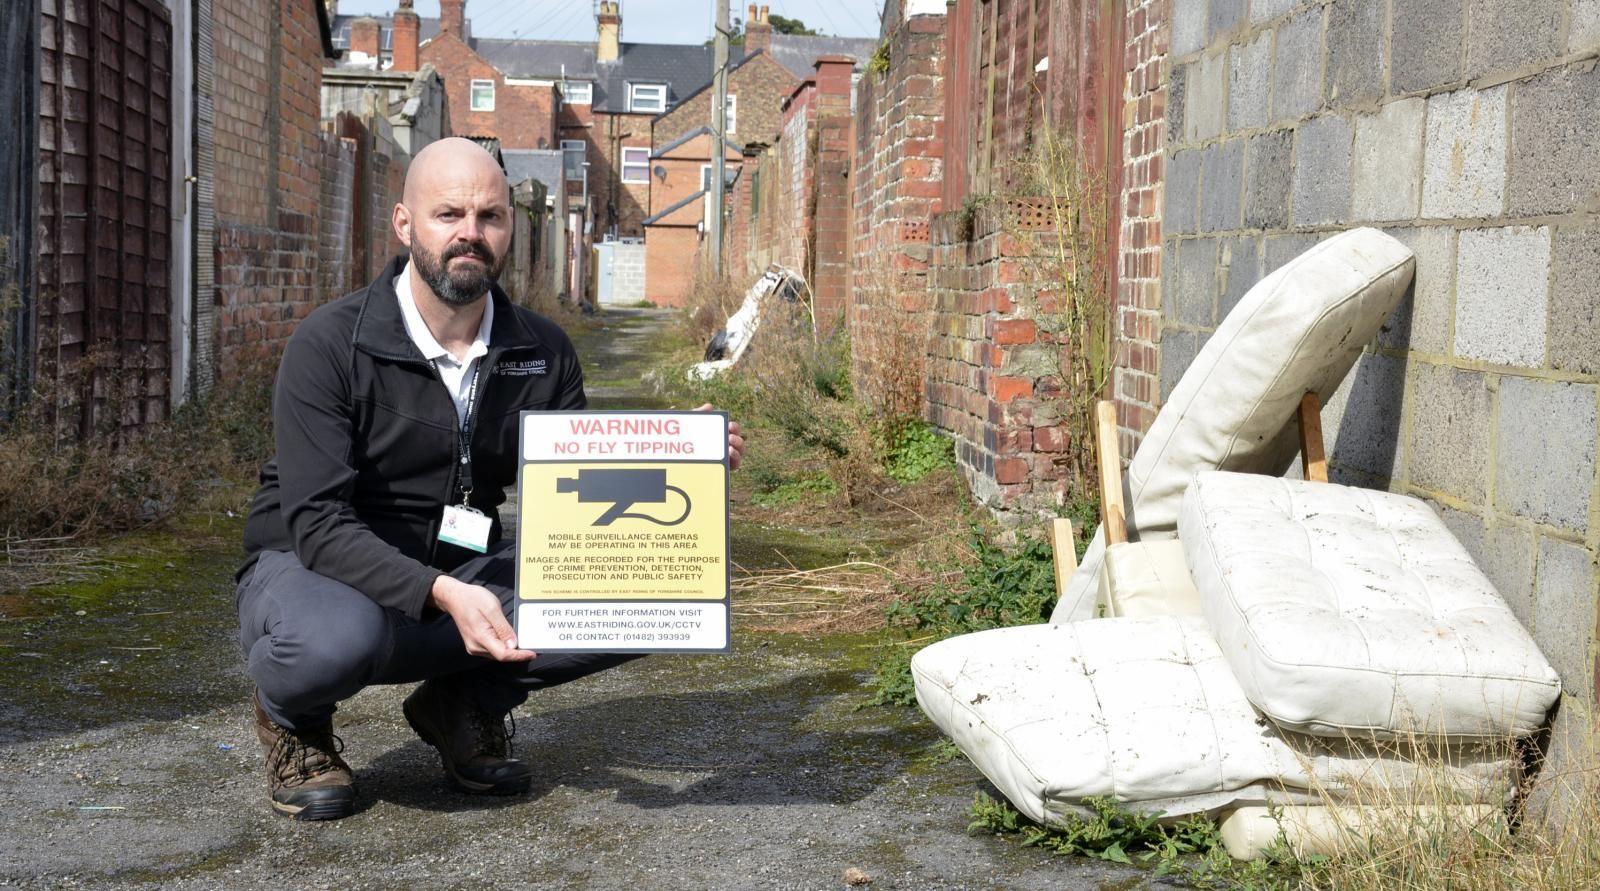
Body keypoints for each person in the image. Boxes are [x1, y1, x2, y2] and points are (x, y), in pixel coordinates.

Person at [235, 138, 745, 821]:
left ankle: (463, 700)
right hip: (317, 570)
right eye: (449, 214)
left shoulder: (541, 350)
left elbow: (577, 501)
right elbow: (318, 525)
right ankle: (293, 721)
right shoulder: (330, 345)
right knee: (336, 639)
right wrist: (441, 592)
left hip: (456, 562)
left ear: (509, 227)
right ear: (405, 224)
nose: (470, 234)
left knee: (660, 584)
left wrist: (675, 454)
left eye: (490, 216)